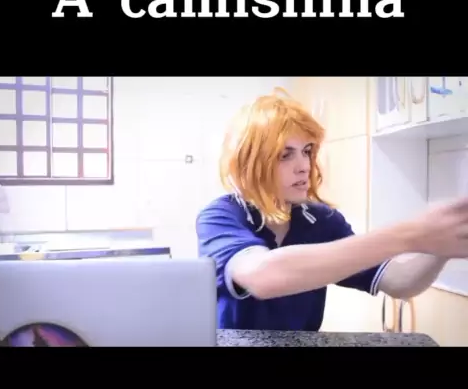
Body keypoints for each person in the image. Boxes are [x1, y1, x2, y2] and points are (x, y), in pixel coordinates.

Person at [196, 88, 468, 331]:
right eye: (285, 155)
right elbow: (263, 277)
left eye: (307, 151)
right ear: (251, 162)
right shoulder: (222, 216)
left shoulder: (322, 221)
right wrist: (410, 234)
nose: (304, 166)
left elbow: (400, 281)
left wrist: (443, 244)